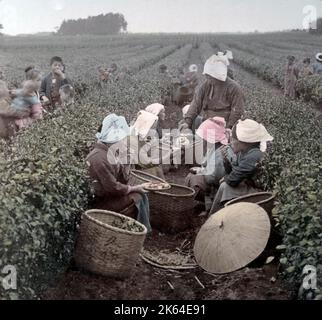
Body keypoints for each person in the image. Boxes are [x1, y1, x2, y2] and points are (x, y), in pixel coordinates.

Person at [86, 114, 152, 232]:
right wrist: (134, 188)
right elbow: (113, 187)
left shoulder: (108, 153)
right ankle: (133, 230)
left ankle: (137, 228)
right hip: (101, 203)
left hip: (108, 196)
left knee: (139, 192)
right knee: (138, 196)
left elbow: (122, 178)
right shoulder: (98, 158)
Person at [209, 119, 273, 215]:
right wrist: (226, 161)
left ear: (243, 142)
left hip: (260, 194)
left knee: (225, 186)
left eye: (233, 139)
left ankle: (215, 217)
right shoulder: (244, 153)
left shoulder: (254, 155)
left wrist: (226, 178)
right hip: (249, 187)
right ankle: (216, 216)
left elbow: (233, 180)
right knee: (225, 185)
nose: (230, 143)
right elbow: (233, 173)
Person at [179, 52, 245, 131]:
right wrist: (187, 121)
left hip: (225, 125)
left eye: (210, 76)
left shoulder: (234, 88)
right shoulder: (206, 85)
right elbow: (196, 104)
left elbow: (237, 111)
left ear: (218, 76)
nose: (207, 78)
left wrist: (229, 127)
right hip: (207, 122)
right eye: (207, 76)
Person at [185, 117, 235, 213]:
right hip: (213, 181)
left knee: (194, 178)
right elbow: (206, 161)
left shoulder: (221, 152)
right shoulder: (214, 146)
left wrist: (201, 171)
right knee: (192, 176)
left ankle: (209, 206)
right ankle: (204, 205)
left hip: (217, 184)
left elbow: (213, 178)